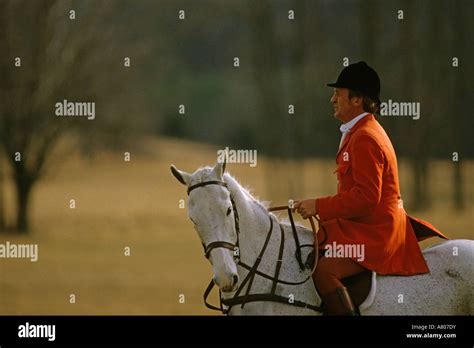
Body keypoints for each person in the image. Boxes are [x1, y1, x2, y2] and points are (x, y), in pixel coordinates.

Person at [293, 61, 446, 315]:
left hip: (377, 233)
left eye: (338, 94)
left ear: (357, 100)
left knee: (323, 270)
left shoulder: (365, 137)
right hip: (365, 226)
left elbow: (366, 198)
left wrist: (318, 205)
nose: (332, 99)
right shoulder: (359, 131)